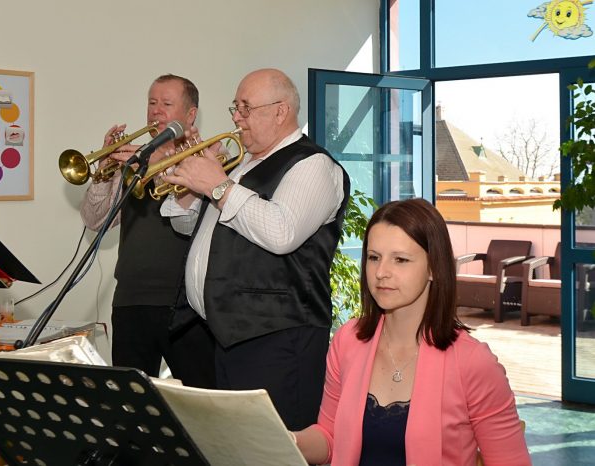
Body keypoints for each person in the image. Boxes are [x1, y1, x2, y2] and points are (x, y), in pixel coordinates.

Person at [160, 68, 350, 431]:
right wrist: (190, 187)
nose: (236, 117)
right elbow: (190, 228)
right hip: (224, 335)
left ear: (281, 111)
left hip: (278, 340)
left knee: (277, 445)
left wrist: (217, 186)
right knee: (235, 445)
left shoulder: (313, 165)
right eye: (236, 107)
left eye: (246, 108)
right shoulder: (242, 165)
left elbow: (282, 232)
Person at [293, 198, 531, 466]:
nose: (381, 272)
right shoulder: (348, 341)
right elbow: (330, 436)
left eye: (400, 260)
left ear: (433, 268)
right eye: (373, 257)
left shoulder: (473, 362)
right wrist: (288, 441)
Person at [79, 74, 215, 388]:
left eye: (166, 103)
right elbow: (95, 220)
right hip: (131, 299)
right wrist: (104, 172)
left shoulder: (205, 158)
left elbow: (196, 217)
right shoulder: (134, 159)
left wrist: (161, 162)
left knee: (201, 397)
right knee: (132, 402)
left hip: (187, 305)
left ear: (190, 115)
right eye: (152, 103)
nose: (156, 111)